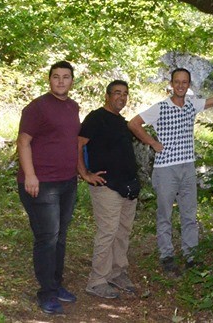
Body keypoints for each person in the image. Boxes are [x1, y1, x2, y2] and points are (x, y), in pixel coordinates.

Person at [128, 67, 213, 276]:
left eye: (184, 82)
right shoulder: (161, 108)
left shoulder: (192, 104)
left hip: (187, 167)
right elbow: (134, 123)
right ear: (171, 84)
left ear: (189, 85)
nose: (180, 85)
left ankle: (191, 256)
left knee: (189, 215)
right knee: (165, 215)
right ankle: (167, 257)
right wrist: (152, 143)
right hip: (165, 169)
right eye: (177, 81)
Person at [16, 60, 81, 315]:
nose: (61, 81)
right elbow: (23, 142)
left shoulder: (73, 107)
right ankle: (46, 293)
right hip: (42, 184)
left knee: (60, 237)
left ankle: (55, 284)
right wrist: (31, 176)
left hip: (67, 182)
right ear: (49, 80)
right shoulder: (37, 107)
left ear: (72, 80)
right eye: (56, 76)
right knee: (47, 238)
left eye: (66, 77)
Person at [77, 80, 140, 299]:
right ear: (107, 95)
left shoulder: (122, 122)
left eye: (125, 94)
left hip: (127, 186)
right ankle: (97, 281)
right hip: (106, 186)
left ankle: (117, 272)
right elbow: (78, 144)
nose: (121, 97)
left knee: (123, 231)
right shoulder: (96, 118)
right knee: (108, 232)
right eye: (117, 93)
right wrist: (85, 173)